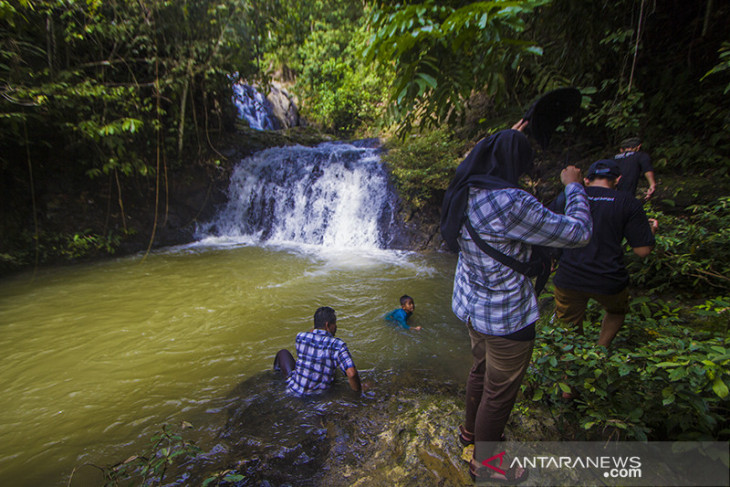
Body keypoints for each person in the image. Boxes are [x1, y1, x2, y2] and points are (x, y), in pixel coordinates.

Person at [440, 120, 593, 482]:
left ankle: (469, 433)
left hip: (472, 307)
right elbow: (579, 232)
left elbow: (471, 159)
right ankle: (486, 463)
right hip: (507, 316)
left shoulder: (462, 187)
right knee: (499, 392)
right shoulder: (512, 202)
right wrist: (574, 188)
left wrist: (500, 139)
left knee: (479, 370)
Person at [552, 159, 658, 348]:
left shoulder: (566, 197)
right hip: (608, 277)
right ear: (617, 179)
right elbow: (642, 251)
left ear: (585, 180)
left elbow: (551, 235)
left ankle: (571, 358)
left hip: (569, 275)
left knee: (568, 324)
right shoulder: (628, 203)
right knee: (617, 310)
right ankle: (602, 348)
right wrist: (650, 232)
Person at [274, 306, 363, 396]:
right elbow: (352, 374)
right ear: (328, 325)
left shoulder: (301, 337)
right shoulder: (337, 344)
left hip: (294, 390)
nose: (336, 327)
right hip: (319, 395)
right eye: (334, 324)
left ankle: (274, 375)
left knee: (283, 352)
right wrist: (358, 392)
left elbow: (313, 336)